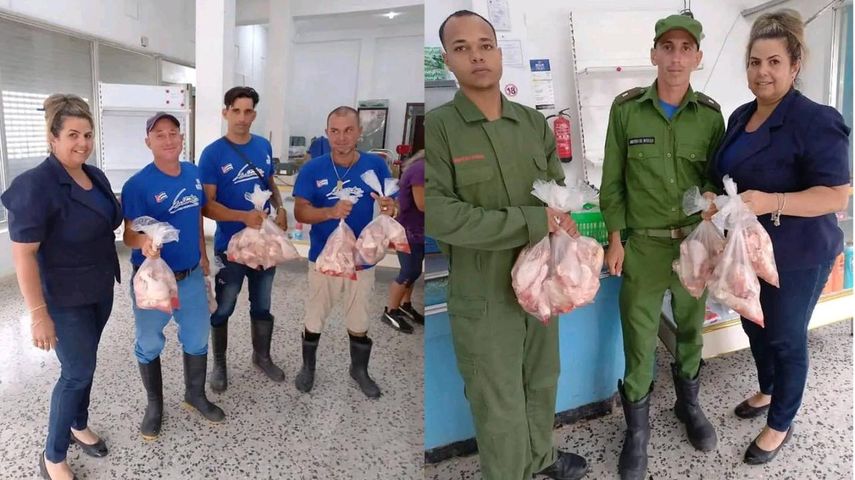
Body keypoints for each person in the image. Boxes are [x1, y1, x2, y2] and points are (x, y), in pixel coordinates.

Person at [425, 10, 588, 480]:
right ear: (448, 61)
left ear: (498, 53)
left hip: (541, 283)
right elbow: (442, 214)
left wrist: (563, 216)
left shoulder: (532, 124)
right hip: (484, 292)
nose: (476, 55)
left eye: (485, 44)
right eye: (461, 48)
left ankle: (540, 459)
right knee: (496, 398)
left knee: (541, 380)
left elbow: (556, 186)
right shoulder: (439, 129)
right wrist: (532, 220)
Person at [709, 9, 850, 465]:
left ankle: (780, 422)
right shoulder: (740, 116)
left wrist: (773, 201)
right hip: (748, 250)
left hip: (797, 252)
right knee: (755, 324)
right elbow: (729, 175)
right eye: (754, 62)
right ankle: (769, 390)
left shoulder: (815, 120)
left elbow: (836, 195)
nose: (762, 71)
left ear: (794, 66)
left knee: (786, 337)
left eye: (773, 62)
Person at [599, 14, 724, 480]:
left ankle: (688, 406)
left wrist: (715, 211)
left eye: (685, 48)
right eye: (667, 47)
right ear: (653, 54)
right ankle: (637, 433)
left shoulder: (711, 116)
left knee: (692, 330)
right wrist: (616, 238)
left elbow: (715, 180)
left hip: (693, 246)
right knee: (638, 337)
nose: (675, 57)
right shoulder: (627, 110)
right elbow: (613, 182)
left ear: (697, 57)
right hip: (644, 248)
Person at [2, 94, 121, 480]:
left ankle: (77, 424)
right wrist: (38, 315)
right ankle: (53, 456)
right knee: (76, 371)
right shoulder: (35, 185)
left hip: (99, 289)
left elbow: (110, 224)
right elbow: (23, 256)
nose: (82, 143)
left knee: (86, 365)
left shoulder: (95, 175)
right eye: (72, 134)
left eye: (87, 134)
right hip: (63, 298)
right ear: (52, 138)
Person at [122, 112, 225, 440]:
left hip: (191, 274)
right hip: (153, 278)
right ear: (148, 142)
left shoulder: (193, 174)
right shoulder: (138, 185)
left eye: (173, 133)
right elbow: (128, 235)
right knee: (149, 342)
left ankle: (194, 395)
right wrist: (145, 243)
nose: (168, 140)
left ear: (182, 138)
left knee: (197, 337)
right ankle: (155, 406)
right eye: (160, 134)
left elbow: (195, 218)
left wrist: (204, 255)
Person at [292, 106, 396, 399]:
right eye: (335, 131)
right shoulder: (313, 169)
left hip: (361, 260)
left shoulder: (375, 166)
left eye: (348, 130)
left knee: (359, 320)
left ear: (359, 132)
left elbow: (392, 201)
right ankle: (308, 367)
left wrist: (392, 207)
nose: (341, 138)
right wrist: (329, 212)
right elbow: (301, 210)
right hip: (323, 260)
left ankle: (359, 370)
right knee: (315, 316)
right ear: (327, 134)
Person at [199, 86, 288, 393]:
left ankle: (261, 356)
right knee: (223, 307)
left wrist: (280, 207)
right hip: (230, 248)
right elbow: (207, 205)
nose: (242, 117)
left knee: (262, 304)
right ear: (225, 112)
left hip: (263, 245)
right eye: (235, 110)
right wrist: (241, 217)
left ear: (254, 114)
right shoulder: (212, 154)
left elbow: (270, 183)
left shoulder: (263, 146)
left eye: (248, 111)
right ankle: (220, 364)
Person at [381, 149, 425, 334]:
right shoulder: (422, 169)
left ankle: (405, 305)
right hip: (406, 231)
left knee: (414, 270)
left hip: (418, 230)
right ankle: (391, 310)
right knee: (409, 270)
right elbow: (423, 204)